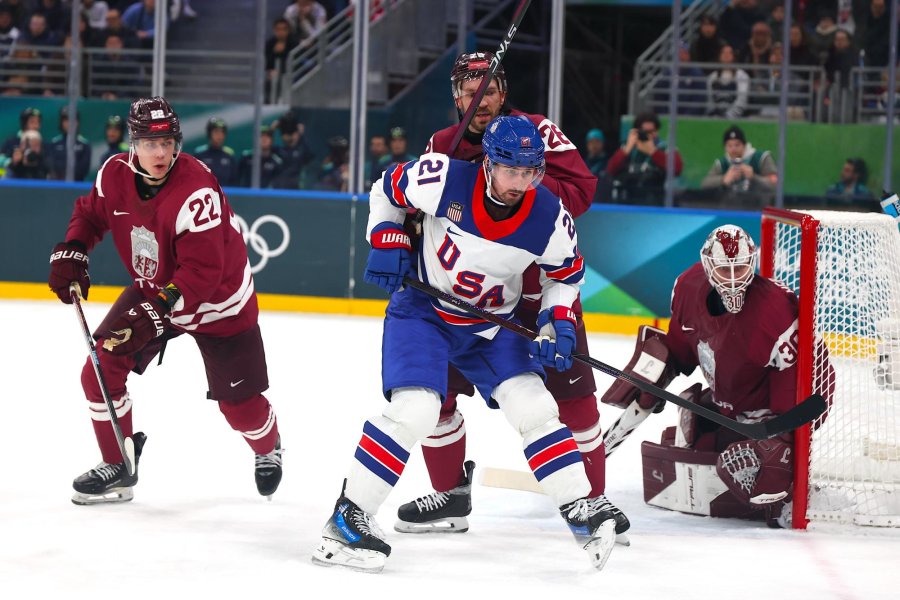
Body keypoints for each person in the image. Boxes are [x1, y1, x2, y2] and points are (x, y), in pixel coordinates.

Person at [311, 115, 625, 573]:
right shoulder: (441, 178)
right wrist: (386, 235)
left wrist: (558, 320)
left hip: (494, 324)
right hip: (424, 313)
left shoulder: (549, 215)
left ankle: (579, 506)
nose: (521, 183)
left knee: (534, 406)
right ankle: (347, 518)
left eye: (531, 172)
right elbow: (385, 189)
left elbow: (566, 273)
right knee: (416, 408)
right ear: (488, 165)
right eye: (512, 170)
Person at [396, 52, 619, 543]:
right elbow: (418, 209)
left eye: (491, 88)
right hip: (466, 294)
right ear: (456, 96)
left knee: (573, 397)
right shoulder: (440, 145)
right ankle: (450, 495)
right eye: (471, 89)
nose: (483, 99)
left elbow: (581, 190)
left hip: (541, 290)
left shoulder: (534, 131)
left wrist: (507, 176)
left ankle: (594, 500)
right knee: (436, 394)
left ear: (503, 91)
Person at [47, 97, 283, 505]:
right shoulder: (113, 174)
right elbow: (90, 214)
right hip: (155, 288)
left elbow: (203, 274)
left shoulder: (196, 190)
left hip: (219, 305)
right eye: (150, 143)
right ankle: (119, 465)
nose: (161, 153)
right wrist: (74, 246)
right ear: (132, 143)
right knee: (100, 369)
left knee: (239, 408)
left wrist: (154, 312)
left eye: (168, 142)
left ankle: (269, 446)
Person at [601, 224, 834, 527]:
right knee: (692, 422)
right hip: (732, 399)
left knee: (760, 468)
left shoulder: (775, 311)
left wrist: (779, 439)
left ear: (753, 263)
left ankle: (782, 482)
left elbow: (806, 384)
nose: (735, 279)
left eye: (741, 267)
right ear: (709, 267)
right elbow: (681, 344)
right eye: (726, 270)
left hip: (782, 405)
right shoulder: (687, 287)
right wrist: (655, 372)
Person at [606, 111, 683, 204]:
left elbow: (677, 169)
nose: (649, 135)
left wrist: (652, 151)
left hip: (654, 199)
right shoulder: (628, 148)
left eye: (652, 131)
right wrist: (627, 149)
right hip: (628, 200)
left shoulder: (664, 147)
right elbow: (610, 170)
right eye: (645, 132)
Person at [701, 125, 777, 207]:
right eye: (729, 146)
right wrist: (723, 179)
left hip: (759, 209)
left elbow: (775, 184)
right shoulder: (722, 163)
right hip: (729, 209)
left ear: (744, 145)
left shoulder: (761, 158)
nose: (733, 149)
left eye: (737, 145)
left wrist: (753, 177)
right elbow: (705, 184)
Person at [47, 106, 92, 181]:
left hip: (77, 185)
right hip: (56, 185)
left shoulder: (85, 145)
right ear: (61, 122)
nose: (70, 124)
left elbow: (84, 169)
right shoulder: (54, 144)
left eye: (73, 120)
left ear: (77, 122)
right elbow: (51, 166)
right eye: (66, 120)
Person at [272, 111, 314, 189]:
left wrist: (301, 135)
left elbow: (310, 155)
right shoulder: (277, 151)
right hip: (278, 191)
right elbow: (264, 150)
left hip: (294, 191)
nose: (288, 133)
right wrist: (272, 130)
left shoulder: (300, 152)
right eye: (284, 131)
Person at [194, 117, 238, 187]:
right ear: (209, 133)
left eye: (222, 132)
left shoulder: (229, 155)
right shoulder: (200, 154)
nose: (219, 135)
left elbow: (235, 181)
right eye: (216, 131)